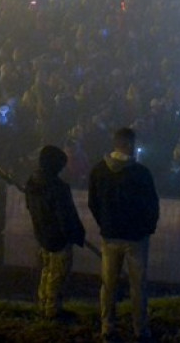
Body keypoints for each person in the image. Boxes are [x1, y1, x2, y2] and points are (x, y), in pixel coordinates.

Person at [88, 127, 160, 343]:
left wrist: (105, 224)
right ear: (129, 144)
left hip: (110, 236)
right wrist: (147, 229)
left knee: (108, 285)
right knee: (138, 286)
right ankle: (140, 330)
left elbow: (93, 203)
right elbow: (152, 205)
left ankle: (107, 328)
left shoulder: (99, 170)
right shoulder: (141, 173)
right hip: (136, 238)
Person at [25, 144, 86, 321]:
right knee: (57, 275)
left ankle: (43, 304)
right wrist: (75, 234)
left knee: (46, 271)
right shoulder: (58, 187)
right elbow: (66, 216)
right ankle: (52, 310)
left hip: (42, 235)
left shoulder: (32, 182)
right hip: (59, 239)